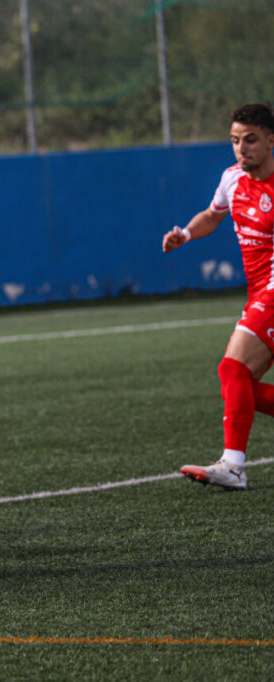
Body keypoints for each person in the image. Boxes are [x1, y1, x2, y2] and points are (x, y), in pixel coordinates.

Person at [162, 102, 274, 491]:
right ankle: (233, 465)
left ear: (271, 141)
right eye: (235, 140)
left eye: (251, 140)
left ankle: (233, 466)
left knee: (232, 370)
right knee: (238, 383)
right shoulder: (232, 179)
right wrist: (186, 234)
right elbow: (212, 215)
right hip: (259, 292)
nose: (242, 148)